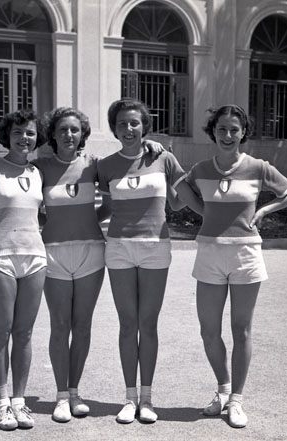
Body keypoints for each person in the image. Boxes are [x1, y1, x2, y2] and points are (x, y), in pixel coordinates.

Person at [0, 106, 166, 423]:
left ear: (83, 135)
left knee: (82, 326)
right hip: (52, 254)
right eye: (62, 129)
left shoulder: (95, 165)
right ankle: (61, 396)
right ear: (52, 134)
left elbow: (113, 194)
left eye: (75, 130)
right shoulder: (39, 168)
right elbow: (24, 199)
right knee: (60, 325)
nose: (68, 135)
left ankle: (75, 393)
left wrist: (150, 144)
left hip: (91, 252)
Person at [176, 104, 287, 428]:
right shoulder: (201, 169)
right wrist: (202, 209)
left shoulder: (258, 167)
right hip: (210, 253)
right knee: (208, 330)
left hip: (245, 254)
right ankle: (222, 389)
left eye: (234, 129)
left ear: (243, 132)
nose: (228, 135)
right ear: (213, 132)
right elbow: (180, 193)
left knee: (241, 329)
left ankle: (236, 400)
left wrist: (263, 211)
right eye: (222, 129)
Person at [97, 99, 202, 424]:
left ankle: (147, 399)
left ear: (144, 126)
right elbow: (106, 208)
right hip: (119, 248)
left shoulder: (163, 158)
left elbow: (182, 199)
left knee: (149, 324)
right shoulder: (105, 166)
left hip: (156, 247)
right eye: (122, 123)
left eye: (134, 123)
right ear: (114, 129)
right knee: (128, 324)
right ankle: (129, 398)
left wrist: (215, 217)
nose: (128, 129)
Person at [0, 109, 48, 431]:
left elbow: (43, 214)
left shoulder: (38, 172)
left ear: (36, 138)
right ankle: (2, 403)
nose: (23, 138)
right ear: (7, 136)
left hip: (34, 258)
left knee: (24, 333)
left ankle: (19, 401)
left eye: (29, 133)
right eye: (17, 132)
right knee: (1, 332)